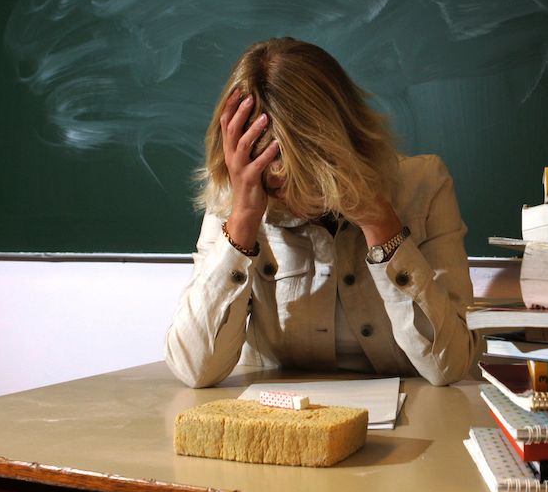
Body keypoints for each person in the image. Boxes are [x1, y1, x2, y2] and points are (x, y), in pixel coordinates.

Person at [164, 37, 481, 390]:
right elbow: (194, 370)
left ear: (340, 145)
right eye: (277, 184)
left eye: (308, 176)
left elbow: (450, 366)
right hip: (284, 424)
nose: (296, 201)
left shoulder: (423, 184)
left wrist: (381, 225)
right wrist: (242, 223)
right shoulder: (236, 196)